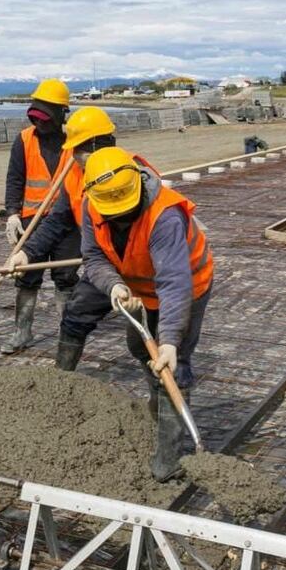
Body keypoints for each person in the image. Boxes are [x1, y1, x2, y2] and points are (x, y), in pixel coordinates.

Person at [40, 146, 213, 481]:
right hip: (136, 287)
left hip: (187, 286)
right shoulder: (94, 203)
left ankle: (170, 455)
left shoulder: (165, 216)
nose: (119, 217)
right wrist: (113, 286)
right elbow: (93, 257)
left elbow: (174, 283)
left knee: (172, 365)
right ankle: (159, 402)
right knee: (139, 348)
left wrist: (171, 341)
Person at [0, 79, 77, 354]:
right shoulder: (24, 140)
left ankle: (67, 336)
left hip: (67, 223)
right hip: (32, 221)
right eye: (36, 117)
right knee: (27, 276)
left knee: (66, 277)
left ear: (61, 114)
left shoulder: (75, 142)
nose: (39, 124)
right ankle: (22, 332)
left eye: (45, 118)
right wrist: (12, 214)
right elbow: (15, 179)